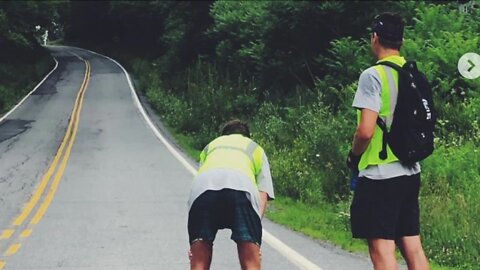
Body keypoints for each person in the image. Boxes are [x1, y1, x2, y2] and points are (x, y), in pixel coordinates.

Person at [347, 13, 430, 270]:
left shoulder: (373, 76)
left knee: (382, 246)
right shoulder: (414, 74)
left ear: (375, 38)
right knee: (412, 244)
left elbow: (365, 131)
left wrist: (354, 157)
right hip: (410, 170)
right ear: (402, 40)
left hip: (381, 174)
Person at [187, 119, 274, 270]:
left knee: (199, 262)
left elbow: (200, 183)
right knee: (251, 262)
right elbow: (263, 192)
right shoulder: (255, 148)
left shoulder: (211, 146)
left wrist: (195, 245)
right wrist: (254, 235)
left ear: (223, 135)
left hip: (203, 191)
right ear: (247, 136)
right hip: (241, 189)